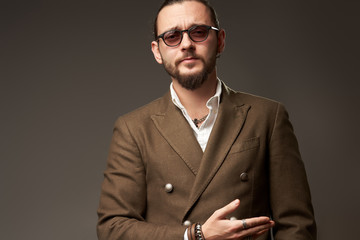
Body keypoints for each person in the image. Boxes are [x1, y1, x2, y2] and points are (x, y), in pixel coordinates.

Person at [96, 0, 317, 239]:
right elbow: (112, 228)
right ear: (157, 51)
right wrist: (194, 235)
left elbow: (296, 226)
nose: (186, 45)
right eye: (172, 36)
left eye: (198, 32)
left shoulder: (267, 116)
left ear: (220, 40)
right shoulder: (133, 129)